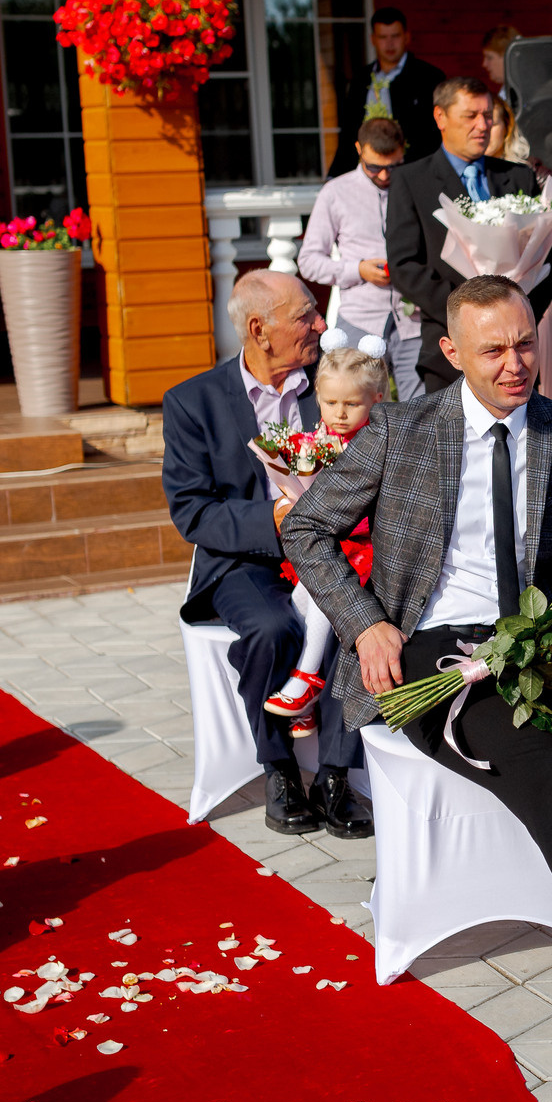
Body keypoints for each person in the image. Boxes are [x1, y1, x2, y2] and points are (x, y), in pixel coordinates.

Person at [283, 275, 552, 1018]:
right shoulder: (401, 430)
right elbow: (305, 527)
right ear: (452, 352)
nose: (515, 363)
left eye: (525, 344)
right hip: (429, 645)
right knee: (542, 768)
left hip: (538, 634)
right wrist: (364, 622)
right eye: (493, 350)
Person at [163, 269, 365, 839]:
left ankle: (335, 775)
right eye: (306, 316)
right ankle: (279, 769)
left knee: (360, 619)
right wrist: (271, 519)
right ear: (259, 330)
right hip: (244, 560)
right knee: (273, 629)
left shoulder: (335, 386)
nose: (320, 325)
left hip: (332, 550)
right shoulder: (193, 402)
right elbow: (192, 512)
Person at [384, 76, 551, 394]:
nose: (483, 125)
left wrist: (523, 311)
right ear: (440, 117)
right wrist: (466, 312)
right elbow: (405, 265)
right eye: (471, 116)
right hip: (448, 350)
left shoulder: (518, 177)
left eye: (487, 115)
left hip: (516, 354)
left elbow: (549, 254)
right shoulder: (412, 180)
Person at [263, 345, 386, 731]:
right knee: (300, 600)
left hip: (363, 549)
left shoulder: (378, 442)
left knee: (321, 592)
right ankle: (309, 700)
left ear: (376, 399)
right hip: (324, 544)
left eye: (352, 403)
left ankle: (307, 678)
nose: (340, 413)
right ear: (317, 397)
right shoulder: (313, 443)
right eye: (331, 402)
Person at [297, 116, 422, 398]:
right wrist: (359, 270)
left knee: (420, 411)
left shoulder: (416, 185)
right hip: (360, 319)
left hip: (414, 322)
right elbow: (308, 261)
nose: (384, 175)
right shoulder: (335, 193)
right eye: (374, 167)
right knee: (354, 406)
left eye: (393, 166)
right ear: (358, 149)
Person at [328, 7, 446, 177]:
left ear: (406, 37)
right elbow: (349, 133)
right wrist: (334, 175)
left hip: (415, 173)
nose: (389, 44)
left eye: (395, 36)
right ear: (373, 39)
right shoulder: (361, 79)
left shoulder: (429, 77)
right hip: (369, 173)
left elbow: (438, 134)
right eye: (383, 37)